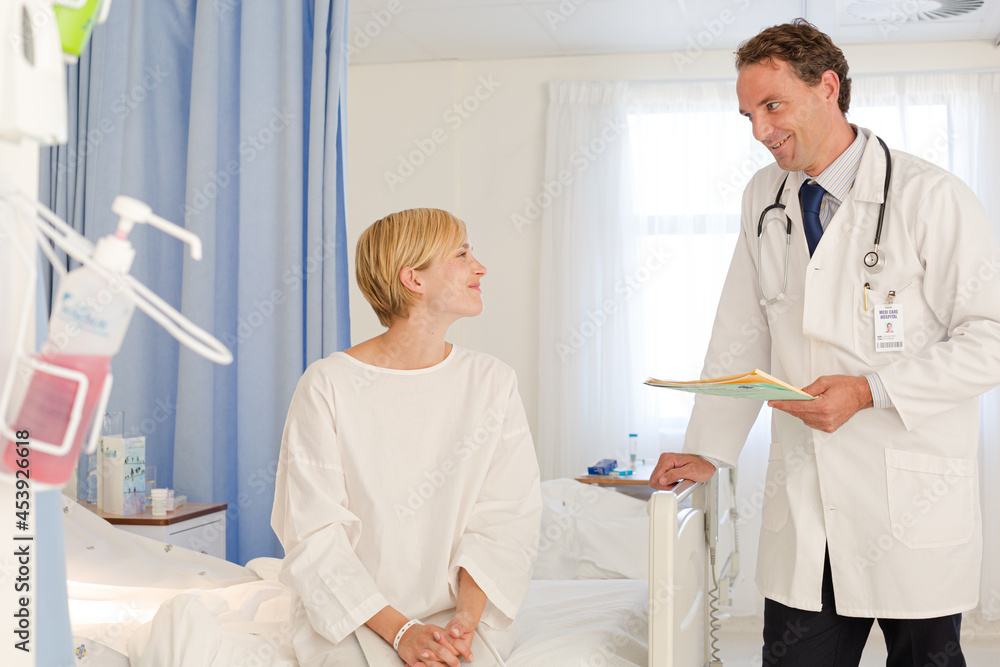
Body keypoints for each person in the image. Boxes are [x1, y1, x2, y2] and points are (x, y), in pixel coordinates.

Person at [650, 19, 1000, 667]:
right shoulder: (765, 197)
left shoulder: (930, 196)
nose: (759, 130)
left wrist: (872, 390)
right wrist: (707, 451)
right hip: (809, 509)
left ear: (828, 87)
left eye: (772, 105)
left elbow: (991, 337)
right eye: (748, 113)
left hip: (909, 503)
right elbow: (740, 331)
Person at [271, 208, 542, 666]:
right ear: (414, 279)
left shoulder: (492, 381)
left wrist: (462, 625)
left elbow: (506, 519)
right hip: (355, 618)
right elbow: (314, 533)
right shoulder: (329, 384)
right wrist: (402, 634)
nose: (480, 267)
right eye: (461, 253)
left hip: (461, 619)